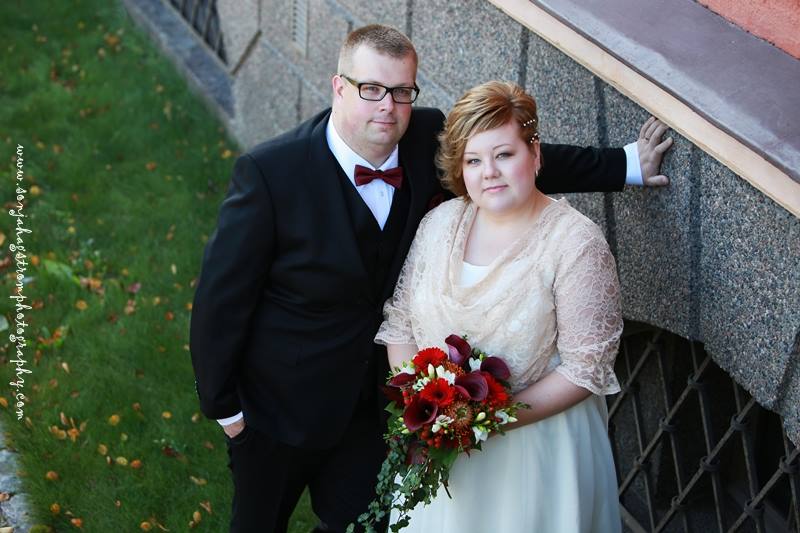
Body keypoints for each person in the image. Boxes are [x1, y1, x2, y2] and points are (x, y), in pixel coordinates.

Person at [189, 24, 668, 533]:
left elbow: (508, 161)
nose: (387, 107)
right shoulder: (270, 173)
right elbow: (222, 301)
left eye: (402, 92)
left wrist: (625, 164)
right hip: (280, 406)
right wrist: (227, 412)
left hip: (376, 408)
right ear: (338, 88)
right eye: (371, 89)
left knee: (365, 525)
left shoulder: (425, 136)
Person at [377, 80, 623, 532]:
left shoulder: (576, 244)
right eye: (473, 160)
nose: (489, 172)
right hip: (439, 445)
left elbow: (585, 368)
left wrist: (483, 421)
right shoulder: (439, 224)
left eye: (504, 154)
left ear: (535, 153)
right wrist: (424, 407)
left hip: (537, 454)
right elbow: (400, 324)